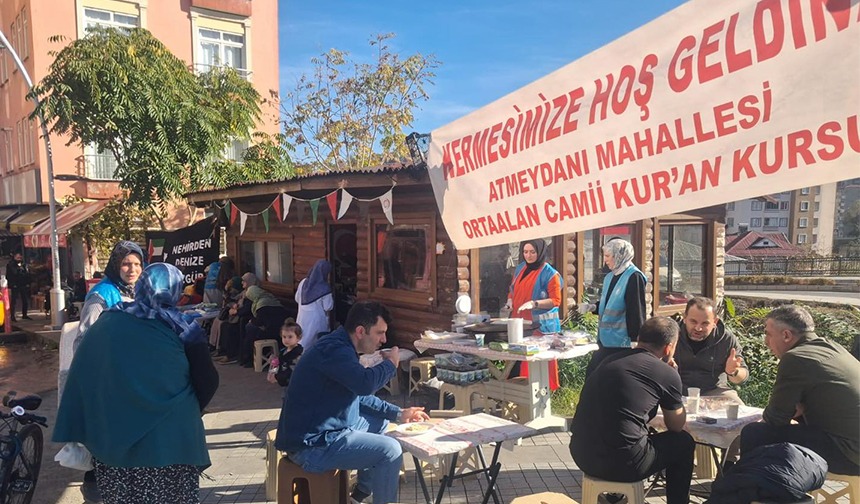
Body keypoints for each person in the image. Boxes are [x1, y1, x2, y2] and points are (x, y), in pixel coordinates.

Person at [53, 263, 219, 504]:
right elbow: (208, 380)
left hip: (114, 439)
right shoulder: (184, 328)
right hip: (172, 441)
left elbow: (83, 373)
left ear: (141, 287)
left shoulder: (106, 323)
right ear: (175, 290)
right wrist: (188, 408)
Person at [275, 301, 429, 504]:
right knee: (390, 450)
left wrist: (399, 413)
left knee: (380, 423)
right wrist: (391, 364)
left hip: (324, 431)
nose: (384, 340)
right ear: (360, 331)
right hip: (311, 445)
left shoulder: (340, 346)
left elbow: (359, 394)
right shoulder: (335, 351)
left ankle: (359, 494)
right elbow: (365, 384)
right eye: (380, 333)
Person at [570, 316, 694, 504]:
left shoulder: (609, 360)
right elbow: (676, 426)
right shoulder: (666, 373)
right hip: (627, 464)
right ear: (668, 348)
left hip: (582, 455)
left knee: (625, 432)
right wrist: (672, 380)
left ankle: (614, 496)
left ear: (639, 339)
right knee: (683, 442)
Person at [58, 240, 144, 503]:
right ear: (115, 265)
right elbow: (84, 337)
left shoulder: (138, 291)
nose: (132, 269)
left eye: (137, 264)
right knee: (103, 445)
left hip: (130, 379)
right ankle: (94, 495)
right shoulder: (102, 295)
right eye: (126, 264)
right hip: (106, 380)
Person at [740, 305, 860, 475]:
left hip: (850, 454)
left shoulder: (796, 357)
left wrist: (789, 411)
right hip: (850, 442)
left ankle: (748, 486)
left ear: (786, 335)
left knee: (754, 433)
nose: (766, 342)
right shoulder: (833, 347)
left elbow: (775, 419)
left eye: (768, 334)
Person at [579, 238, 647, 376]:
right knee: (594, 374)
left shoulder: (634, 276)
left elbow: (636, 310)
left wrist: (635, 339)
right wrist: (592, 307)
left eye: (608, 256)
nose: (605, 260)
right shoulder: (610, 276)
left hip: (622, 342)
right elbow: (609, 303)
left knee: (607, 375)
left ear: (619, 255)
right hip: (605, 339)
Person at [503, 239, 563, 388]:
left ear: (540, 252)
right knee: (516, 362)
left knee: (539, 367)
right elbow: (512, 289)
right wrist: (510, 301)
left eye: (532, 252)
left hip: (540, 329)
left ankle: (542, 393)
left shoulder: (550, 274)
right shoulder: (520, 268)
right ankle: (516, 393)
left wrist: (534, 303)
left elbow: (556, 300)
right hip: (520, 325)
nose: (528, 256)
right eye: (525, 252)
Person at [674, 296, 748, 403]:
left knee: (736, 405)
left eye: (705, 323)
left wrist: (733, 371)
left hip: (714, 391)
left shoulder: (726, 339)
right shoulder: (672, 335)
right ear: (684, 318)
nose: (698, 328)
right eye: (693, 322)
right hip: (676, 389)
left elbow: (742, 377)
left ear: (715, 322)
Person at [239, 285, 288, 368]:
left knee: (249, 329)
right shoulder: (271, 299)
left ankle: (249, 359)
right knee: (250, 328)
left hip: (272, 331)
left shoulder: (262, 304)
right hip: (279, 329)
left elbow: (260, 321)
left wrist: (252, 321)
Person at [295, 259, 334, 350]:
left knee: (301, 340)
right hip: (317, 320)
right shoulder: (325, 288)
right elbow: (328, 307)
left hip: (302, 317)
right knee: (314, 344)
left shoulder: (303, 282)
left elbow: (297, 298)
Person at [267, 319, 304, 394]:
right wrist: (273, 371)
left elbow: (292, 371)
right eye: (284, 337)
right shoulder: (283, 351)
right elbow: (277, 364)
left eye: (290, 337)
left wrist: (277, 377)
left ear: (298, 338)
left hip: (294, 384)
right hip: (285, 383)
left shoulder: (298, 354)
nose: (286, 340)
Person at [5, 252, 31, 321]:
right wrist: (12, 284)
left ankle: (24, 314)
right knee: (14, 301)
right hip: (15, 285)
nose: (19, 259)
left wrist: (28, 282)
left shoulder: (24, 264)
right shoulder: (11, 265)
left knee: (25, 300)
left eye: (20, 257)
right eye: (17, 257)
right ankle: (12, 316)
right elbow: (10, 275)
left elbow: (27, 274)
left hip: (23, 284)